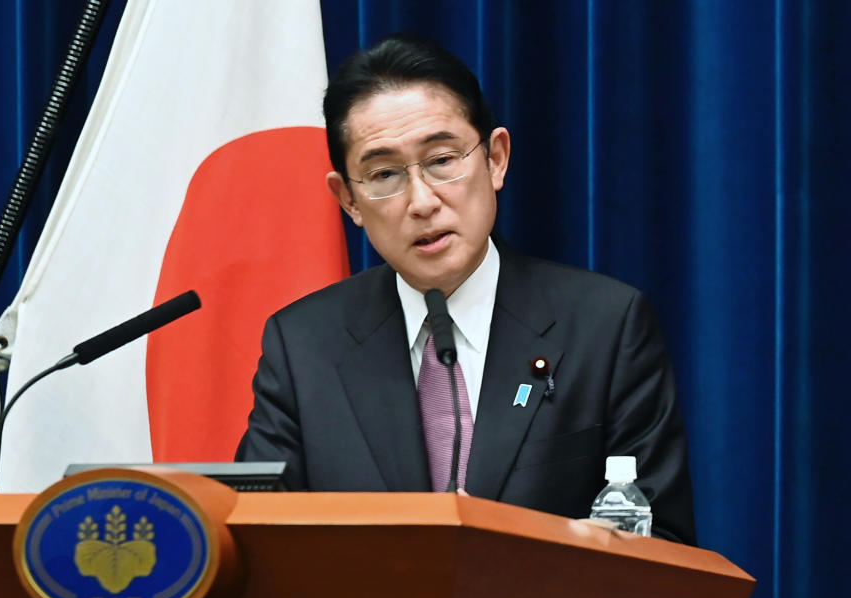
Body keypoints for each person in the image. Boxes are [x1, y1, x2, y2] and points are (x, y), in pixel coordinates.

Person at [235, 34, 695, 545]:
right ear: (349, 201)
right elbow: (258, 544)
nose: (422, 201)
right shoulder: (303, 346)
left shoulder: (606, 327)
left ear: (495, 159)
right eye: (384, 173)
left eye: (442, 160)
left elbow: (665, 546)